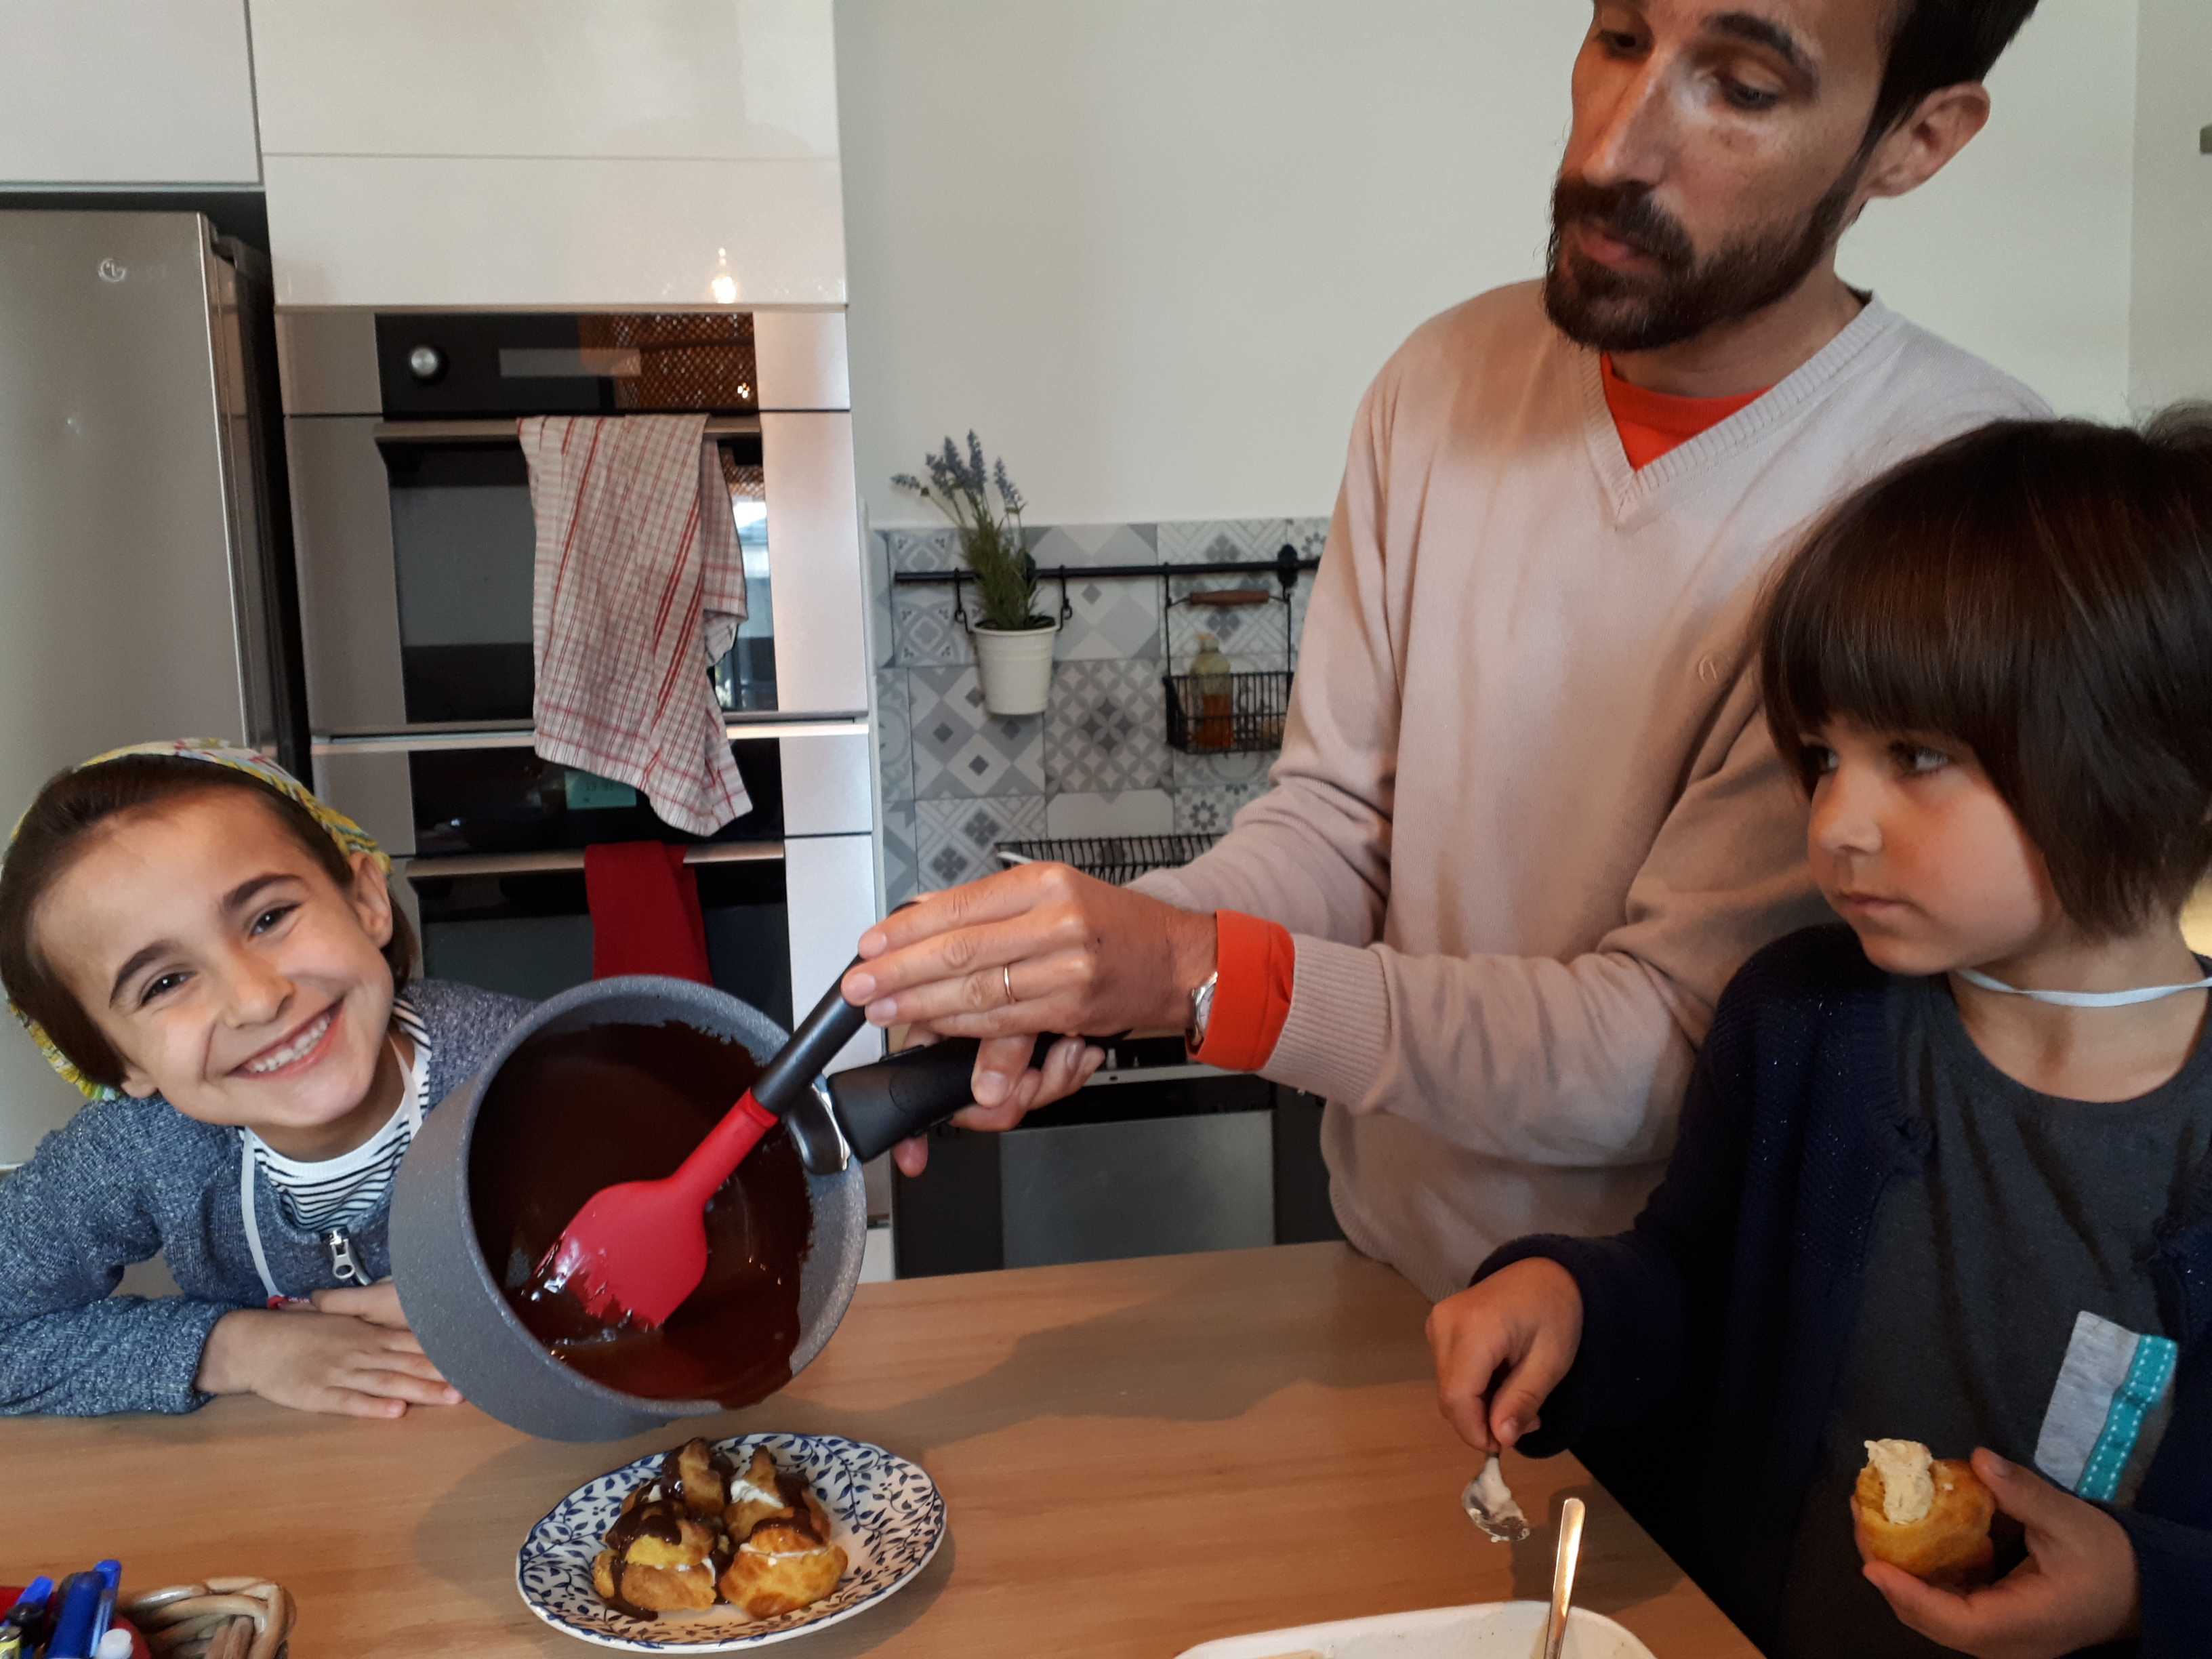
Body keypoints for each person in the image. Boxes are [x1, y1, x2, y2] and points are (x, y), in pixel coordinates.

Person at [841, 0, 2051, 1299]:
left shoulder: (1959, 502)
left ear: (1911, 140)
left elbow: (1667, 1049)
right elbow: (1334, 827)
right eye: (1621, 37)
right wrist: (1110, 960)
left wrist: (1192, 975)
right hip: (1392, 1271)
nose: (1610, 150)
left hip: (1692, 1350)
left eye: (1741, 87)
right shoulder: (1442, 381)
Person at [1425, 415, 2212, 1659]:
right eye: (1820, 754)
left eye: (1914, 755)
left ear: (2149, 757)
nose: (1835, 819)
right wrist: (1568, 1297)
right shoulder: (1805, 1016)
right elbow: (1693, 1286)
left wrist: (2134, 1585)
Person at [0, 741, 531, 1417]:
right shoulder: (139, 1150)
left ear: (366, 900)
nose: (256, 999)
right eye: (165, 983)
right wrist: (235, 1347)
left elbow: (700, 1259)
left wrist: (518, 1304)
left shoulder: (529, 1070)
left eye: (270, 917)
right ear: (115, 1062)